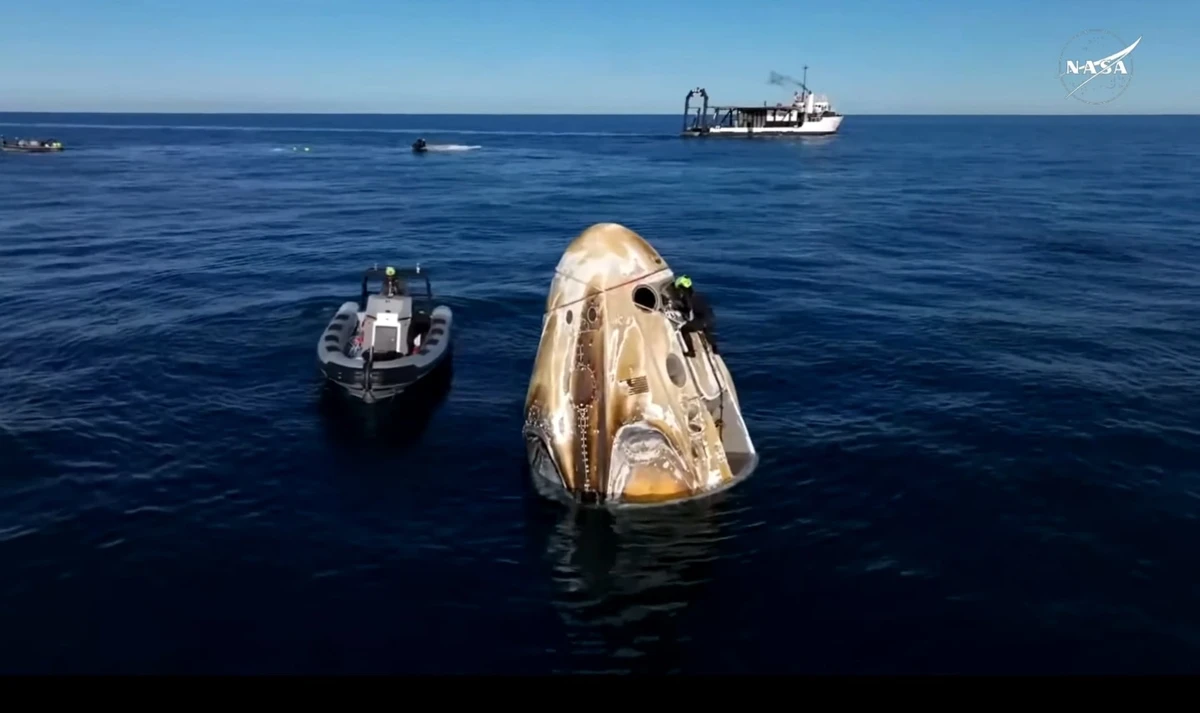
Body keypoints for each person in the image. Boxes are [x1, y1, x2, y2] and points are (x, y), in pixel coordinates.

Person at [672, 274, 717, 356]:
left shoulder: (686, 297)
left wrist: (678, 308)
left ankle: (691, 351)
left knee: (684, 329)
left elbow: (689, 313)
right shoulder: (697, 295)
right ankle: (715, 349)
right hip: (710, 318)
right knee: (707, 331)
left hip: (702, 321)